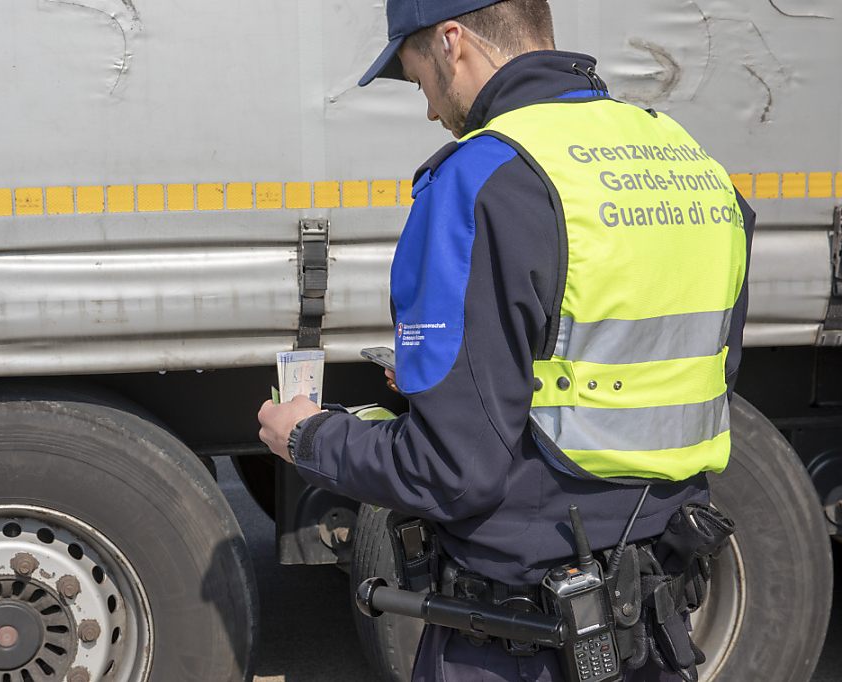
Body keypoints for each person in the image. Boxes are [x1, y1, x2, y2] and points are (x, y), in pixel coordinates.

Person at [258, 0, 754, 679]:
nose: (430, 109)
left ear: (451, 42)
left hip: (519, 638)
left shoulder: (480, 178)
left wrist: (309, 438)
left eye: (419, 78)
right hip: (655, 626)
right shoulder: (690, 163)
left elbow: (448, 473)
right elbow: (682, 377)